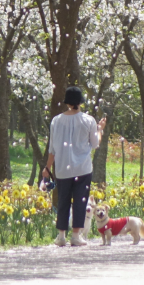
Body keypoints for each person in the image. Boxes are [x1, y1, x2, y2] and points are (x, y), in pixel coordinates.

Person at [42, 86, 106, 247]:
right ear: (80, 102)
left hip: (63, 168)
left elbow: (53, 148)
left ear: (67, 102)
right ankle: (76, 235)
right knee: (80, 201)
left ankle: (61, 235)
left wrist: (47, 168)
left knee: (63, 201)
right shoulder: (88, 120)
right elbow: (95, 144)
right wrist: (100, 130)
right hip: (83, 168)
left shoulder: (56, 121)